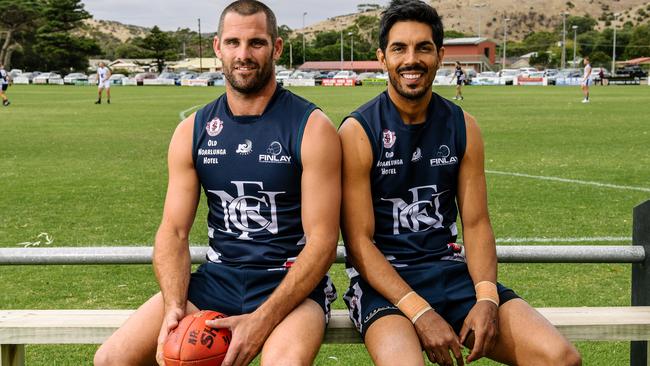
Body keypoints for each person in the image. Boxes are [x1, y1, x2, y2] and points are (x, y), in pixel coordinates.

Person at [94, 1, 341, 365]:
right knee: (111, 359)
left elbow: (322, 243)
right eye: (233, 43)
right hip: (217, 279)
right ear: (217, 47)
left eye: (256, 43)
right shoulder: (192, 130)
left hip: (289, 286)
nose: (243, 54)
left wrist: (262, 319)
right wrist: (175, 307)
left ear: (276, 48)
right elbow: (174, 232)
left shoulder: (312, 127)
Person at [338, 1, 582, 365]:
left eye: (423, 47)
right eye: (399, 48)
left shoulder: (462, 125)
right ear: (382, 58)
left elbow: (477, 222)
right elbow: (358, 243)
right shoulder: (358, 132)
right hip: (384, 286)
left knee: (560, 358)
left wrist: (486, 297)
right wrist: (419, 311)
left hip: (450, 273)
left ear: (440, 56)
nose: (411, 59)